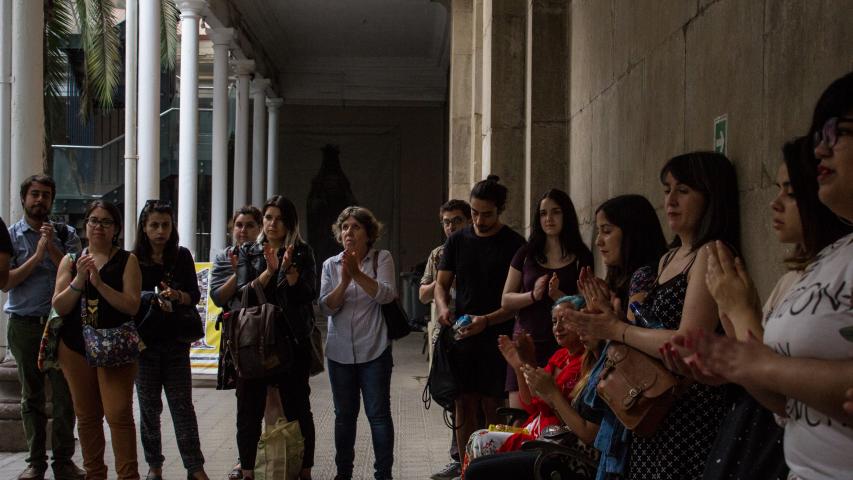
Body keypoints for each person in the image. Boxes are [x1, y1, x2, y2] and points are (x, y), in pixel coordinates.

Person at [690, 71, 853, 480]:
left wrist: (757, 358)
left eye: (836, 131)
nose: (820, 148)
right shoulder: (830, 258)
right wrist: (735, 363)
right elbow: (788, 403)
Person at [566, 152, 741, 479]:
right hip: (653, 412)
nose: (671, 200)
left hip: (690, 414)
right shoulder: (667, 259)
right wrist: (606, 319)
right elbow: (643, 335)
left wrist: (616, 328)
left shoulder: (710, 253)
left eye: (684, 190)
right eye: (667, 189)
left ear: (711, 195)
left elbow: (688, 343)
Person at [433, 175, 526, 466]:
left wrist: (487, 320)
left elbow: (515, 303)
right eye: (474, 213)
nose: (479, 220)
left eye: (487, 214)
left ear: (500, 210)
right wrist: (443, 307)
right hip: (463, 334)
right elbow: (440, 284)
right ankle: (465, 468)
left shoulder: (513, 243)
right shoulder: (458, 240)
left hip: (498, 334)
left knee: (493, 404)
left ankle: (492, 469)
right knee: (463, 403)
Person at [52, 200, 141, 480]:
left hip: (115, 348)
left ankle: (128, 476)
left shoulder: (128, 260)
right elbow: (60, 305)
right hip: (75, 347)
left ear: (116, 229)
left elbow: (131, 305)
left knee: (118, 415)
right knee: (87, 417)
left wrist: (100, 284)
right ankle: (95, 474)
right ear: (85, 225)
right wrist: (80, 278)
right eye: (93, 220)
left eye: (105, 222)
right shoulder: (70, 260)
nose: (98, 226)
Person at [3, 174, 85, 480]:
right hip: (25, 325)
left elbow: (78, 273)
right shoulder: (11, 237)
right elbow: (6, 282)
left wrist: (50, 248)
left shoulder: (66, 234)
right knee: (31, 395)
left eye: (46, 195)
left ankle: (63, 460)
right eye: (34, 194)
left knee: (65, 396)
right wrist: (37, 256)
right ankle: (35, 461)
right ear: (24, 199)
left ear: (52, 200)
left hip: (61, 326)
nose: (40, 200)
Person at [235, 196, 317, 480]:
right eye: (268, 217)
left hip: (291, 341)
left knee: (297, 407)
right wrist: (269, 272)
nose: (272, 224)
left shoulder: (302, 252)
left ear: (290, 223)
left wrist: (292, 275)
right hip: (254, 341)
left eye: (278, 218)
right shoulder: (250, 250)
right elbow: (243, 293)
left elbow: (309, 296)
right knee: (248, 409)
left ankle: (303, 470)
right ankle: (247, 470)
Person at [463, 296, 592, 468]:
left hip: (553, 437)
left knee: (481, 441)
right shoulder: (559, 357)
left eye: (565, 321)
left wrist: (531, 367)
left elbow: (556, 409)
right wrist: (519, 367)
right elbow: (530, 404)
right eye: (554, 322)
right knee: (477, 436)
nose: (558, 328)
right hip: (534, 427)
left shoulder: (584, 364)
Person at [319, 206, 397, 480]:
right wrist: (344, 280)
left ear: (368, 233)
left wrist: (359, 275)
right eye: (344, 227)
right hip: (339, 353)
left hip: (374, 350)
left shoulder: (381, 258)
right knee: (344, 417)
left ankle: (383, 473)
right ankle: (344, 472)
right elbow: (326, 307)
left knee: (378, 415)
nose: (348, 232)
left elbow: (387, 295)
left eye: (355, 227)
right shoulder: (331, 264)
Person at [132, 200, 208, 480]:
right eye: (154, 225)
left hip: (176, 342)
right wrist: (149, 299)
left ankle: (195, 467)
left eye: (165, 224)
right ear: (144, 227)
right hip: (145, 344)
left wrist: (177, 296)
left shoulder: (181, 256)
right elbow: (128, 300)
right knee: (149, 408)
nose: (160, 231)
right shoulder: (133, 259)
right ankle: (155, 466)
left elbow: (194, 297)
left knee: (182, 406)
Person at [501, 189, 592, 408]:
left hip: (564, 345)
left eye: (555, 212)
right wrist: (533, 295)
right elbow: (505, 300)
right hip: (527, 342)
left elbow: (588, 305)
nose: (549, 219)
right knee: (520, 415)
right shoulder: (526, 253)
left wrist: (559, 297)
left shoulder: (581, 255)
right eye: (543, 213)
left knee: (557, 412)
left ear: (566, 215)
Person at [419, 199, 471, 480]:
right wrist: (442, 282)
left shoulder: (477, 248)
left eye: (457, 221)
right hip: (447, 337)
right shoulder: (438, 254)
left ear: (469, 221)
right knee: (452, 397)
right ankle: (458, 458)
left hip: (476, 334)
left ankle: (476, 457)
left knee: (476, 398)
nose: (451, 227)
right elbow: (423, 294)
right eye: (447, 222)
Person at [210, 206, 262, 480]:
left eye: (250, 225)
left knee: (273, 399)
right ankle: (245, 461)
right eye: (239, 225)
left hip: (266, 334)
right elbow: (218, 297)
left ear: (259, 228)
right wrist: (238, 272)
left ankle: (271, 454)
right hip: (239, 335)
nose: (243, 230)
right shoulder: (223, 257)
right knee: (245, 402)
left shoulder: (267, 254)